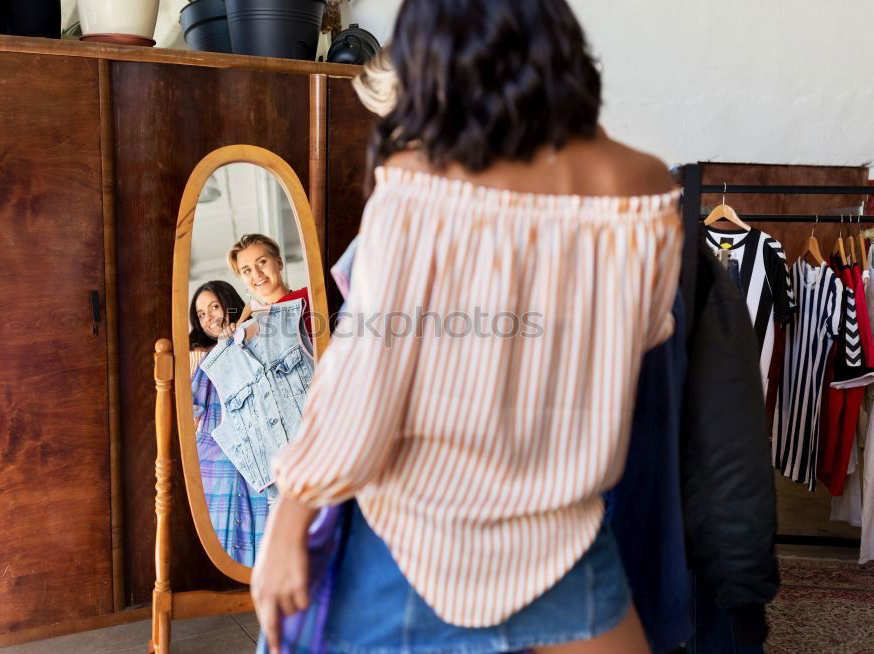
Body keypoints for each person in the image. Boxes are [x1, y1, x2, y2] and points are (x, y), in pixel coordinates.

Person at [251, 1, 682, 653]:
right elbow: (643, 336)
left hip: (414, 538)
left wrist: (290, 515)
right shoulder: (645, 190)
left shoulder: (419, 186)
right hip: (560, 537)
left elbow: (363, 392)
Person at [189, 281, 270, 565]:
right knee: (217, 541)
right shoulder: (202, 360)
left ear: (229, 304)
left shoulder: (258, 338)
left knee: (263, 540)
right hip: (214, 462)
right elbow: (189, 410)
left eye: (214, 307)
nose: (209, 317)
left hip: (259, 455)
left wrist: (236, 343)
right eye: (201, 314)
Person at [228, 233, 313, 337]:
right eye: (247, 270)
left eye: (262, 262)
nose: (257, 274)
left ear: (279, 263)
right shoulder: (253, 328)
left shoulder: (309, 296)